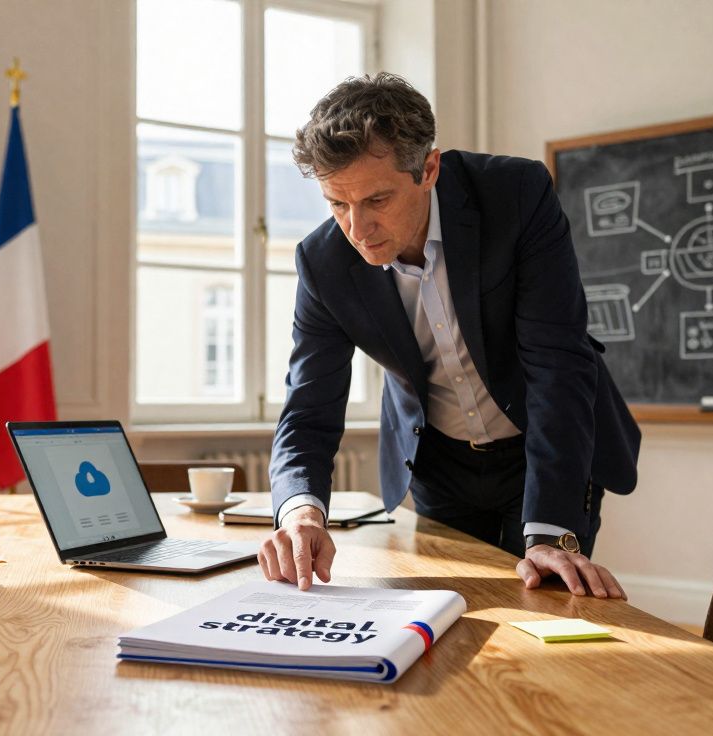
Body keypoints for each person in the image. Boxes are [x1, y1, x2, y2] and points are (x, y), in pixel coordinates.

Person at [259, 73, 641, 599]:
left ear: (429, 169)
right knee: (448, 614)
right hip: (437, 461)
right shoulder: (322, 260)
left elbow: (557, 364)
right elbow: (308, 407)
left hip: (542, 448)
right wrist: (300, 511)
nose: (357, 228)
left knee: (542, 605)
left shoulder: (516, 195)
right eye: (337, 204)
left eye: (377, 200)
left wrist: (552, 530)